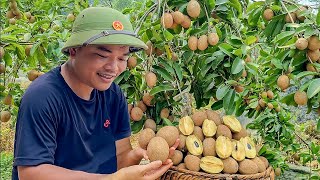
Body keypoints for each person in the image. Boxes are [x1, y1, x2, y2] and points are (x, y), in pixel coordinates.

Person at [12, 7, 179, 180]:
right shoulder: (42, 97)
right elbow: (31, 174)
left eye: (122, 58)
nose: (114, 68)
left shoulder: (113, 95)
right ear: (74, 51)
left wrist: (137, 155)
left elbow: (121, 158)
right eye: (102, 55)